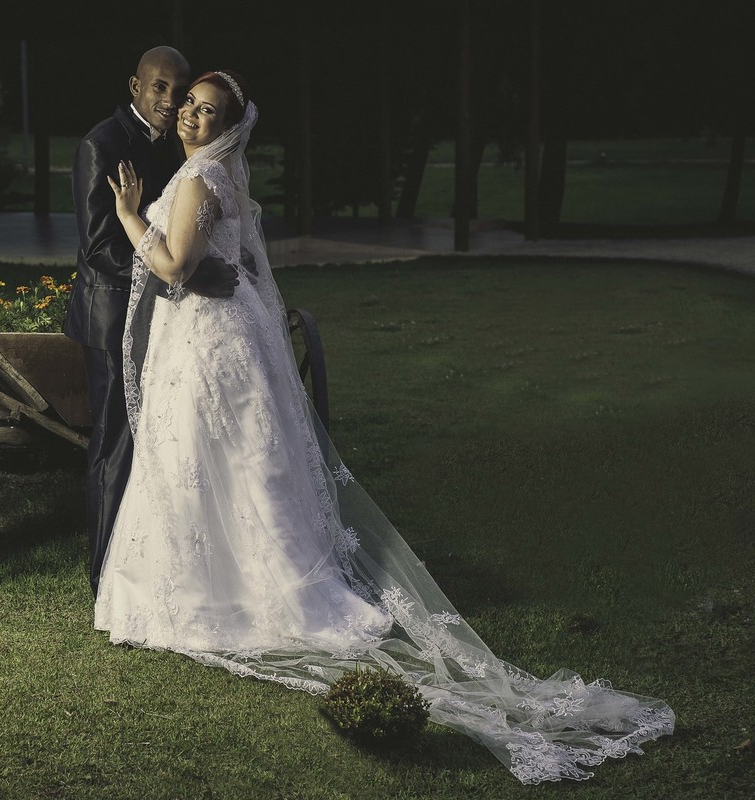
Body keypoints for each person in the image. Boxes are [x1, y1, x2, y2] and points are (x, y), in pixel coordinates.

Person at [93, 70, 674, 785]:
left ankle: (215, 593)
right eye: (188, 104)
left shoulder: (196, 181)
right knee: (237, 464)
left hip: (207, 343)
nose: (190, 115)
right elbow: (234, 262)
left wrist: (130, 216)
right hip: (229, 335)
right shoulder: (225, 181)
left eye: (207, 111)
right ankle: (262, 576)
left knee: (203, 458)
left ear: (229, 127)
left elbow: (175, 266)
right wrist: (210, 270)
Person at [65, 46, 238, 598]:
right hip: (113, 315)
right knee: (116, 440)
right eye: (159, 87)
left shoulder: (181, 148)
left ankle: (160, 561)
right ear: (134, 86)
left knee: (161, 439)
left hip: (168, 320)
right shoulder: (101, 144)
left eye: (180, 91)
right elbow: (100, 247)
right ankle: (103, 574)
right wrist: (184, 273)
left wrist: (190, 266)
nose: (170, 100)